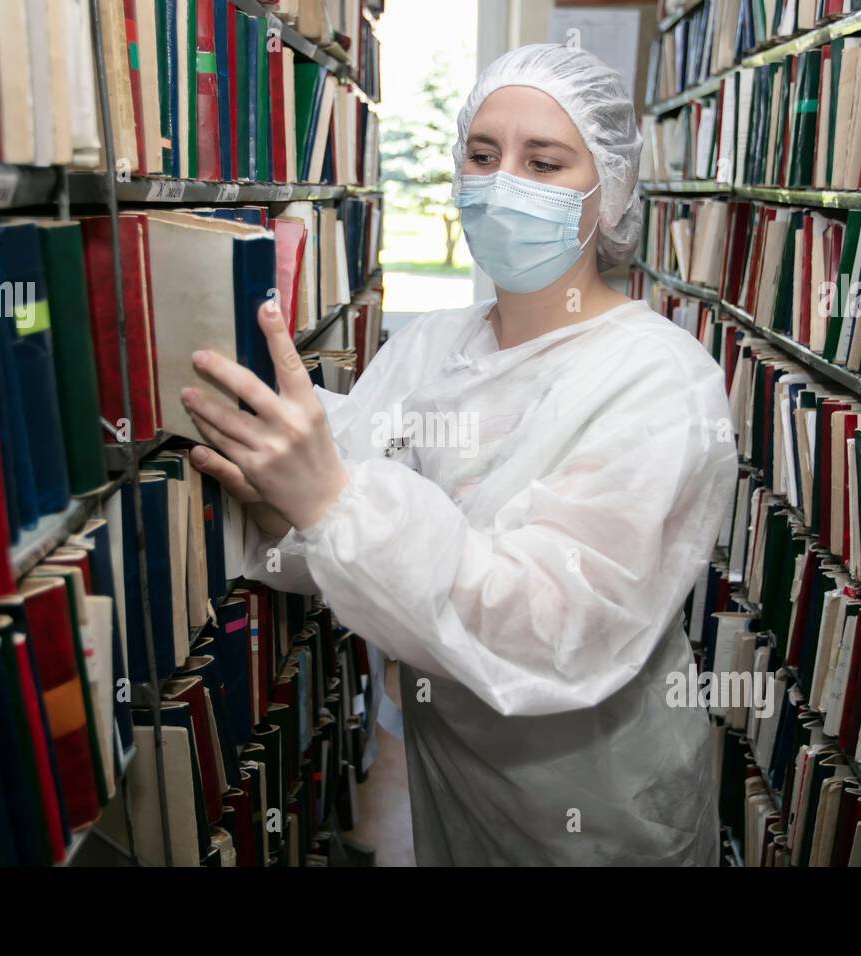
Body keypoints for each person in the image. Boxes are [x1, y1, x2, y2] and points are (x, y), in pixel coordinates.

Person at [179, 43, 737, 865]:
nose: (502, 183)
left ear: (609, 191)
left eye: (543, 162)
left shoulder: (663, 383)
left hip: (599, 805)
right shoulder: (432, 346)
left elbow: (552, 632)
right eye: (482, 156)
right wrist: (275, 488)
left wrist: (330, 496)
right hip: (456, 780)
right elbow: (334, 552)